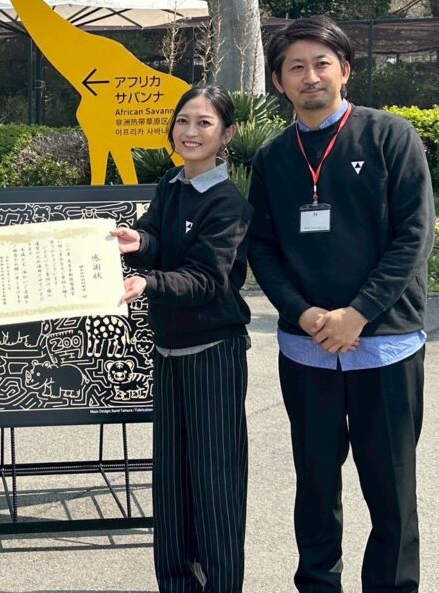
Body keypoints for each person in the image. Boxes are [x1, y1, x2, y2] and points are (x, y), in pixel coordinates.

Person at [247, 16, 434, 593]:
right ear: (278, 81)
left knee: (392, 491)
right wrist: (301, 313)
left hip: (385, 344)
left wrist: (358, 314)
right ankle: (317, 585)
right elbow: (262, 246)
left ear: (345, 70)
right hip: (306, 351)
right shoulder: (274, 156)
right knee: (315, 487)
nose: (310, 76)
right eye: (296, 67)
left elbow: (414, 235)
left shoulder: (389, 136)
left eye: (321, 63)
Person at [111, 86, 252, 593]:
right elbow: (157, 239)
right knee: (170, 481)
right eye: (183, 121)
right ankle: (175, 584)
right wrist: (138, 242)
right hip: (169, 349)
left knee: (215, 484)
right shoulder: (171, 184)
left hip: (213, 352)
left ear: (226, 134)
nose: (190, 132)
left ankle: (220, 585)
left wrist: (148, 282)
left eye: (204, 123)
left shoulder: (228, 203)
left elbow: (207, 278)